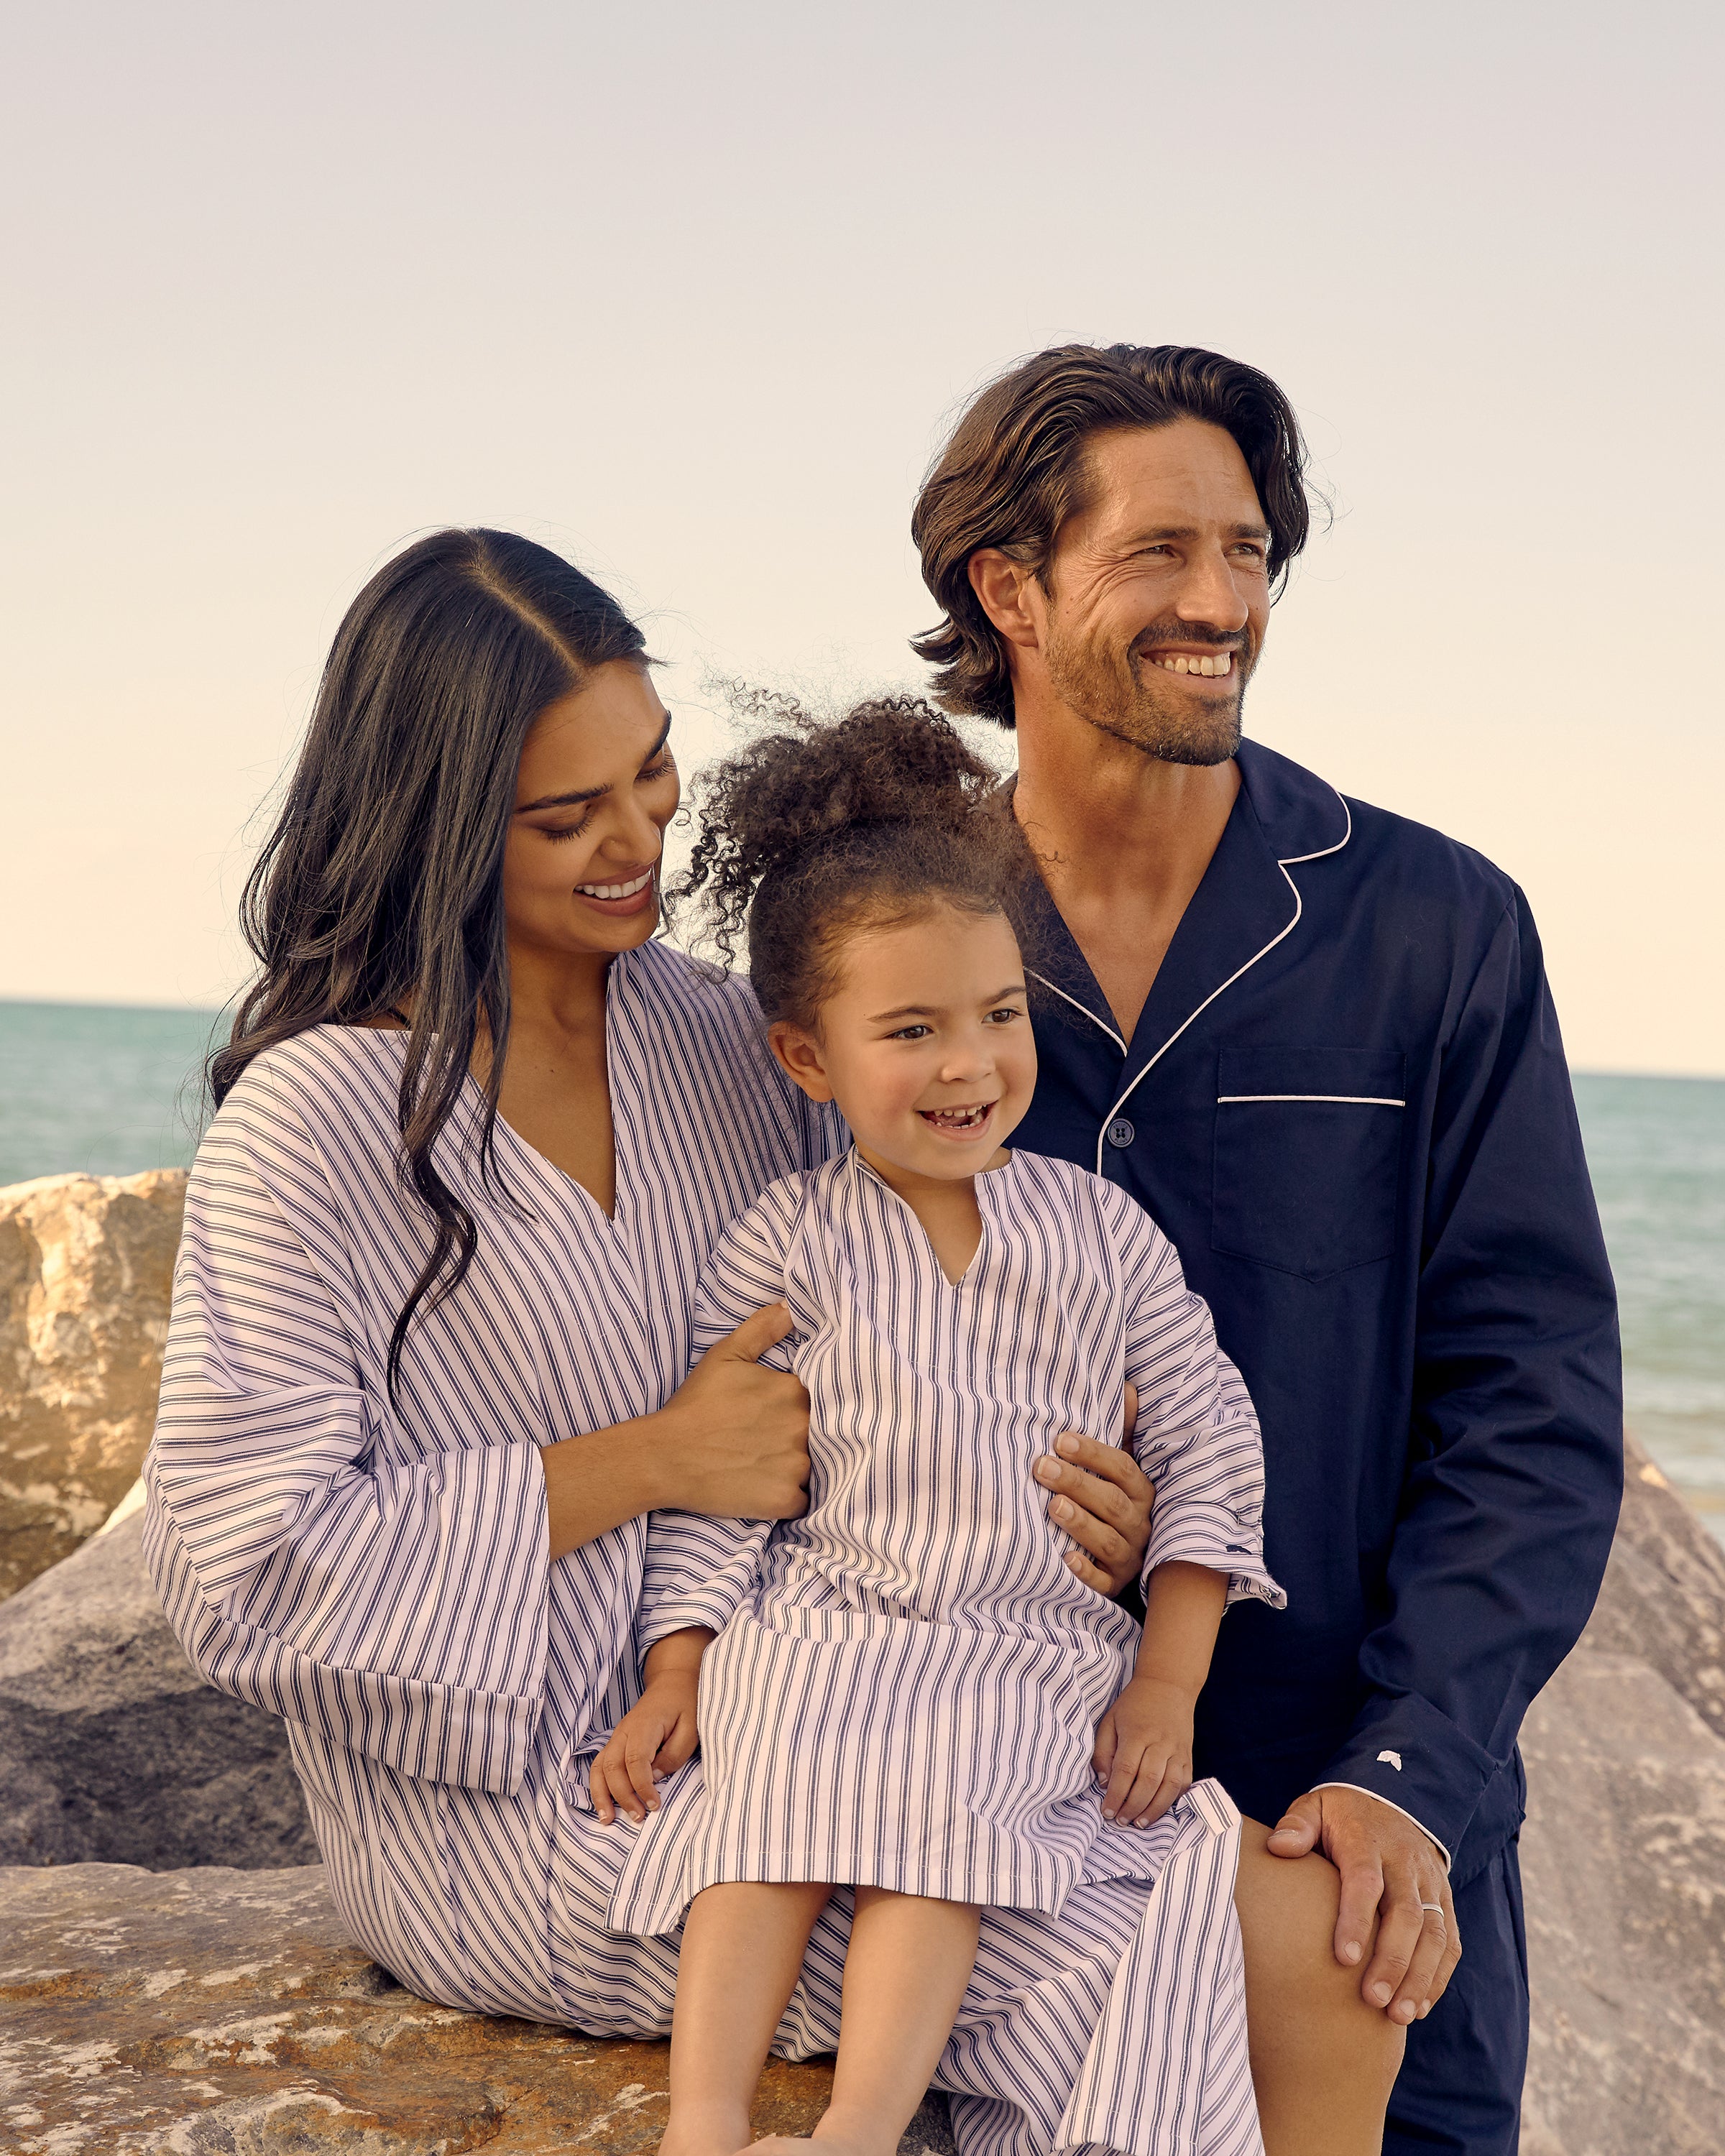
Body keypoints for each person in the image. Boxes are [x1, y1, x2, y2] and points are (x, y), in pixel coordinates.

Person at [143, 528, 1400, 2156]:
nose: (633, 840)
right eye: (562, 814)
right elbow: (242, 1568)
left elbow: (910, 1320)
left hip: (831, 1687)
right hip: (544, 1801)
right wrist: (652, 1464)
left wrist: (1105, 1512)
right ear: (435, 822)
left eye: (653, 774)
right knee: (1238, 1946)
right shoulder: (313, 1125)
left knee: (1318, 1940)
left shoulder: (720, 1033)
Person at [908, 344, 1624, 2155]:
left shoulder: (1438, 928)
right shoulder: (898, 945)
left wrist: (1410, 1775)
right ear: (1012, 589)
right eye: (1160, 554)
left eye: (1249, 552)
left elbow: (1534, 1410)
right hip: (994, 1852)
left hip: (1356, 1846)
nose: (1221, 601)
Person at [589, 699, 1290, 2156]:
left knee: (947, 1821)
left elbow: (1214, 1440)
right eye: (912, 1032)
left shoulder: (1100, 1232)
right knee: (756, 1791)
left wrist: (1167, 1681)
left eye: (999, 1016)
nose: (970, 1066)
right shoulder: (783, 1245)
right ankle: (703, 2123)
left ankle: (860, 2127)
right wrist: (680, 1673)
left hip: (1018, 1642)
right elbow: (724, 1491)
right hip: (832, 1615)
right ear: (806, 1059)